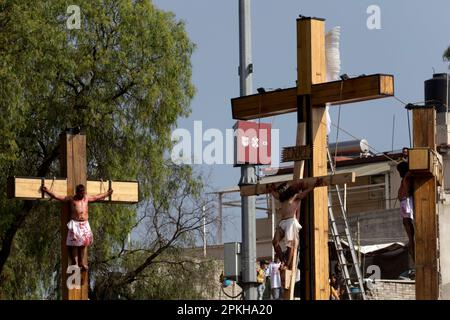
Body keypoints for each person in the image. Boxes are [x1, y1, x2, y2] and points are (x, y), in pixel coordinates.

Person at [41, 184, 113, 271]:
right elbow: (58, 197)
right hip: (75, 223)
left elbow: (97, 197)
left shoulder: (86, 198)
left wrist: (107, 194)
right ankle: (75, 262)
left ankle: (81, 262)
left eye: (83, 193)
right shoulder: (71, 199)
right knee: (74, 244)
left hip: (84, 224)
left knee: (84, 244)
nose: (82, 194)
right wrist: (47, 191)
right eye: (80, 193)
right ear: (77, 192)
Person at [268, 178, 324, 270]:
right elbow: (274, 194)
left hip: (290, 221)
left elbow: (305, 192)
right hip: (283, 222)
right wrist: (271, 189)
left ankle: (286, 264)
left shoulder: (296, 196)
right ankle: (283, 261)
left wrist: (314, 185)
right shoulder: (282, 198)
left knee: (290, 245)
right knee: (275, 242)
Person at [396, 161, 415, 262]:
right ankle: (411, 240)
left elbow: (413, 170)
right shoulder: (404, 178)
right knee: (405, 222)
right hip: (404, 201)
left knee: (407, 221)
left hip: (407, 200)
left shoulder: (407, 175)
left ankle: (411, 240)